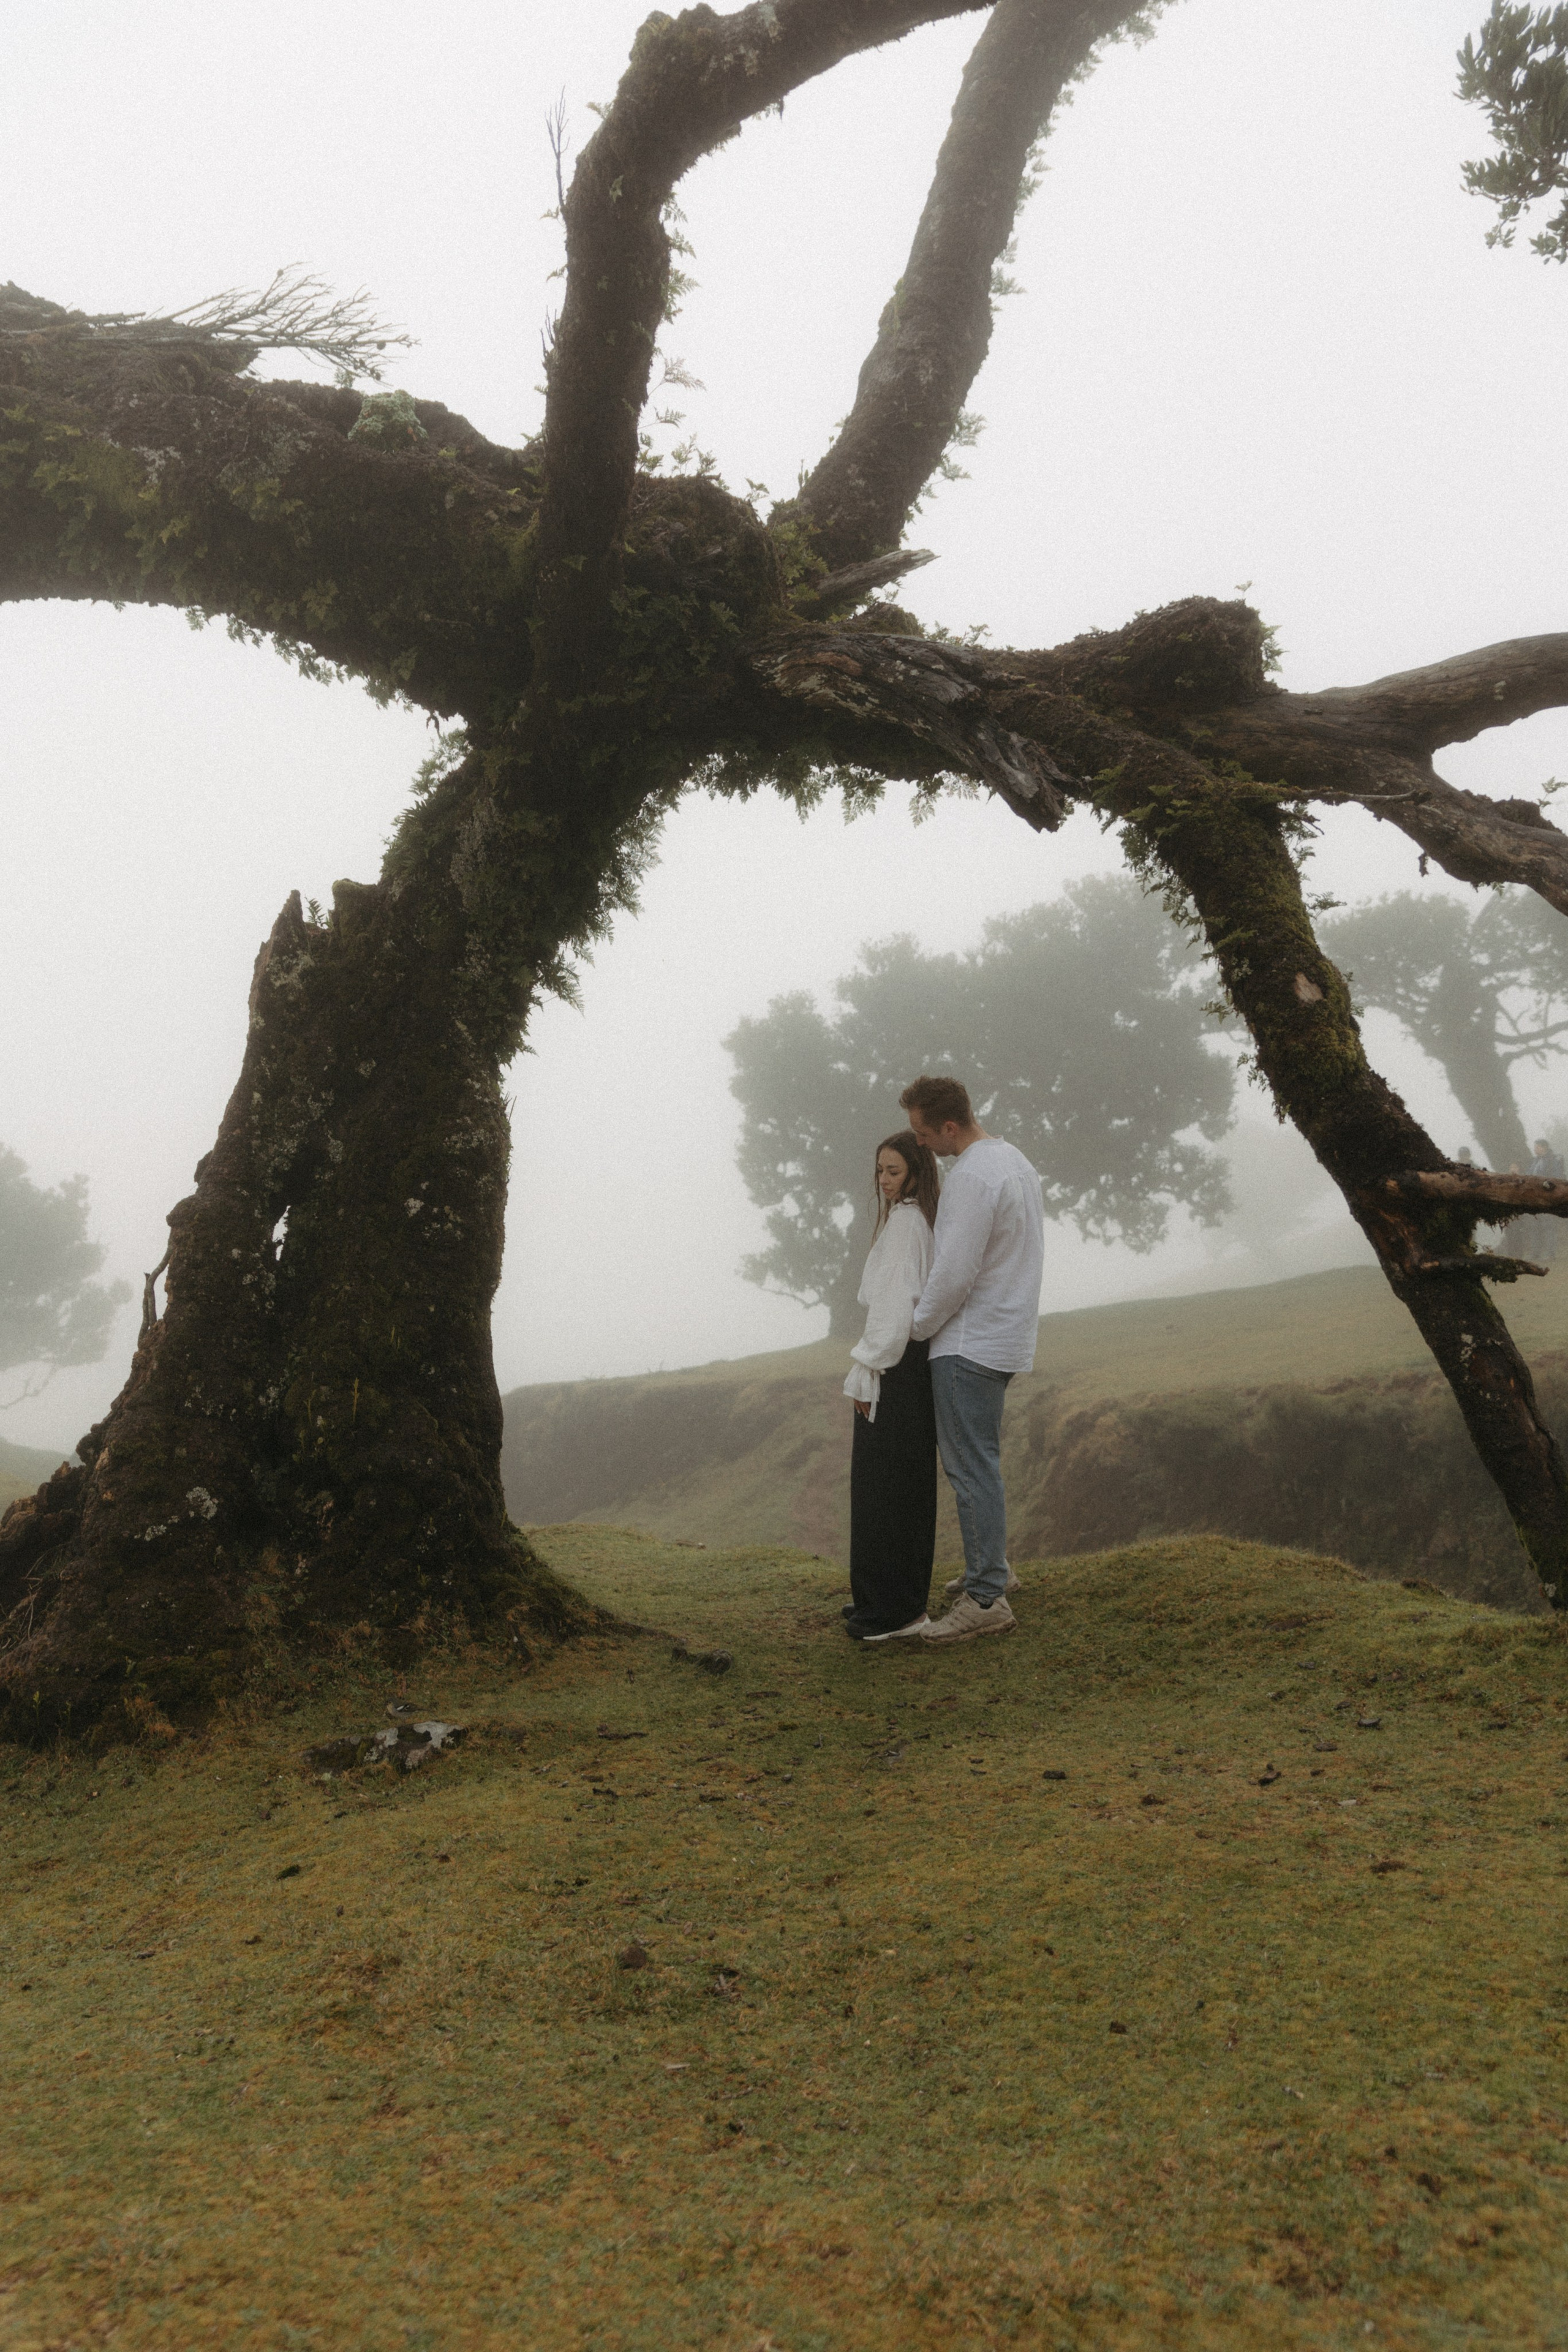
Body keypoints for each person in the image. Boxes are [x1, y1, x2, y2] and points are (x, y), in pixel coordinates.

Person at [900, 1074, 1044, 1645]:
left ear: (950, 1127)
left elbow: (953, 1274)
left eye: (923, 1133)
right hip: (1004, 1338)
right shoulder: (1015, 1162)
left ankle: (987, 1598)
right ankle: (993, 1568)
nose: (921, 1145)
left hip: (968, 1343)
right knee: (980, 1460)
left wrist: (913, 1330)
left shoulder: (971, 1178)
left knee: (969, 1468)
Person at [840, 1129, 941, 1642]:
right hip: (904, 1365)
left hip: (896, 1367)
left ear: (916, 1174)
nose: (883, 1180)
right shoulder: (912, 1221)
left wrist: (867, 1368)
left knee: (887, 1490)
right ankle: (882, 1599)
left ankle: (895, 1611)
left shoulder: (907, 1226)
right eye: (880, 1170)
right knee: (892, 1487)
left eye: (894, 1171)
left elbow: (895, 1308)